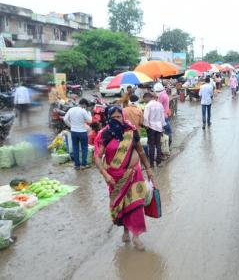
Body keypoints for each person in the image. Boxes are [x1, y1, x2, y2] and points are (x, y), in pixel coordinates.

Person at [94, 106, 154, 251]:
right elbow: (97, 156)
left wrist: (149, 168)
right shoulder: (105, 134)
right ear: (108, 118)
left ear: (123, 117)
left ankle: (136, 236)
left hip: (134, 174)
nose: (116, 119)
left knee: (136, 204)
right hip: (115, 178)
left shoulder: (131, 131)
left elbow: (140, 151)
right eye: (113, 117)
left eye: (118, 117)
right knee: (120, 206)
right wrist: (105, 174)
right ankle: (125, 230)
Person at [64, 98, 92, 170]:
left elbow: (65, 119)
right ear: (84, 104)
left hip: (74, 132)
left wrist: (71, 126)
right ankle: (84, 165)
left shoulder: (71, 109)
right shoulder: (83, 111)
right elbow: (90, 121)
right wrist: (89, 113)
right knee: (84, 148)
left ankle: (77, 165)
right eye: (85, 106)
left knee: (75, 148)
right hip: (82, 132)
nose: (85, 107)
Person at [143, 93, 166, 167]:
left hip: (151, 127)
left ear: (147, 98)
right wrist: (162, 127)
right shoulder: (160, 104)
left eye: (144, 99)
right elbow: (162, 117)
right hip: (159, 127)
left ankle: (151, 163)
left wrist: (146, 126)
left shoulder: (147, 106)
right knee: (158, 145)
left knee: (151, 146)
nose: (144, 101)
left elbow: (146, 118)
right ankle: (158, 162)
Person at [154, 82, 172, 147]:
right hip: (164, 115)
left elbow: (157, 106)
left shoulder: (162, 96)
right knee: (166, 131)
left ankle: (167, 146)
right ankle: (167, 146)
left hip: (163, 117)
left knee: (167, 131)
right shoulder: (164, 94)